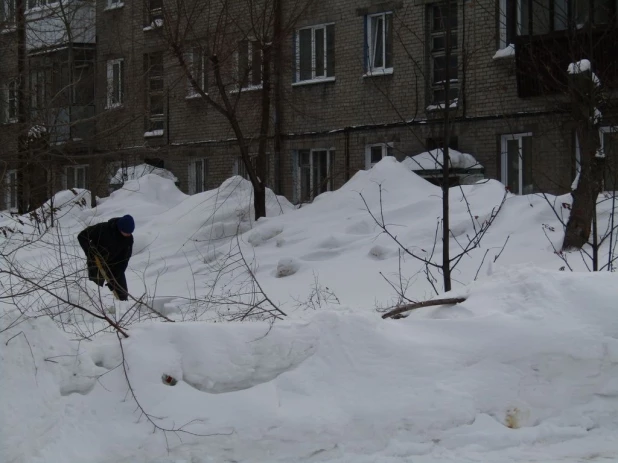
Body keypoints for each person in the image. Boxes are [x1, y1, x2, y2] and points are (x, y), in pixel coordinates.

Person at [78, 215, 134, 301]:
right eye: (126, 232)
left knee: (122, 293)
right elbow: (82, 236)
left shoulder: (129, 239)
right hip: (96, 261)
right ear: (120, 228)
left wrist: (116, 278)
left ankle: (123, 307)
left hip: (115, 265)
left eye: (130, 232)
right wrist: (90, 254)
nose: (128, 235)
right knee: (94, 290)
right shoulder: (103, 228)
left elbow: (125, 258)